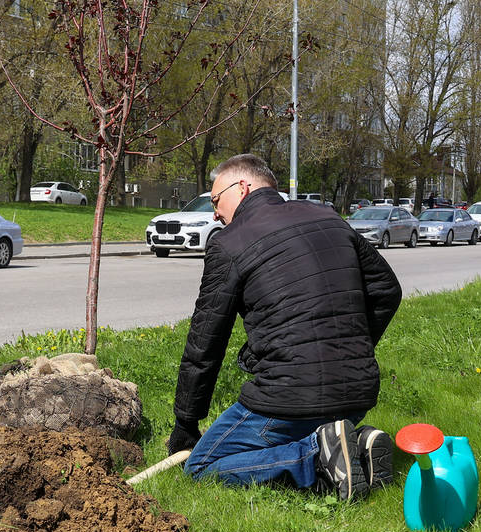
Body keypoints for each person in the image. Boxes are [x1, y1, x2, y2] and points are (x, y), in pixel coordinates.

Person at [167, 154, 403, 500]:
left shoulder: (229, 242)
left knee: (202, 466)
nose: (214, 213)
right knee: (304, 430)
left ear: (243, 187)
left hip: (289, 400)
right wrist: (353, 348)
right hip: (356, 394)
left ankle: (315, 457)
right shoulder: (329, 218)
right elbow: (387, 290)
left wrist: (186, 423)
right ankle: (355, 445)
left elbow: (205, 342)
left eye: (216, 200)